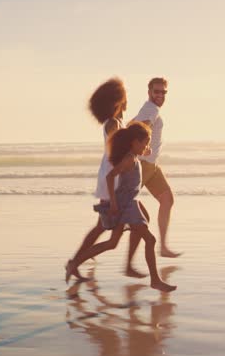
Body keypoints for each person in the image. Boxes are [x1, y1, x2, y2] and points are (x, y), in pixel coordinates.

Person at [66, 122, 176, 292]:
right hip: (126, 205)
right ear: (134, 142)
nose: (147, 146)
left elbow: (132, 159)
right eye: (145, 143)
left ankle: (74, 264)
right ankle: (155, 280)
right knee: (150, 239)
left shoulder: (132, 155)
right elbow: (110, 177)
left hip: (128, 203)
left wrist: (144, 150)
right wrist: (114, 203)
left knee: (112, 243)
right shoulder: (129, 159)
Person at [66, 78, 146, 282]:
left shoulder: (117, 122)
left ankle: (77, 262)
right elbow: (120, 147)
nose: (127, 100)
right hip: (114, 181)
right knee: (106, 229)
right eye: (124, 96)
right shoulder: (112, 123)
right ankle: (75, 263)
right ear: (117, 100)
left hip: (116, 180)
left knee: (104, 228)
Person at [132, 77, 181, 257]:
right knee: (122, 209)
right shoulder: (150, 109)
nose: (160, 95)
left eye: (163, 92)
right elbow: (142, 127)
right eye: (156, 91)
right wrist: (141, 148)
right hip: (143, 165)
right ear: (149, 92)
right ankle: (94, 247)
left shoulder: (150, 109)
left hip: (152, 166)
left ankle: (164, 247)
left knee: (167, 199)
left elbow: (133, 125)